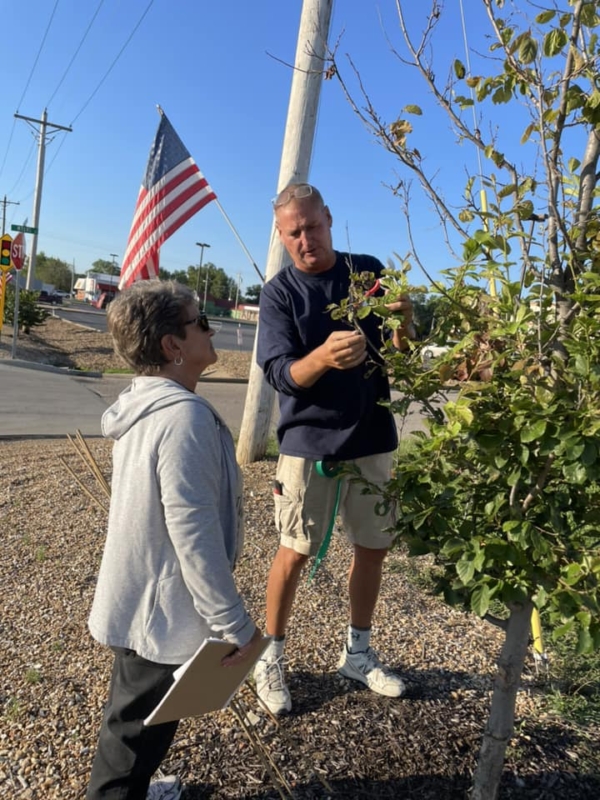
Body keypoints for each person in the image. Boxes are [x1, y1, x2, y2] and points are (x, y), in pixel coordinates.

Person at [86, 280, 262, 800]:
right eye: (200, 321)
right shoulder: (183, 419)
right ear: (173, 345)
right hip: (158, 609)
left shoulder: (147, 407)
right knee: (132, 738)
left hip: (142, 597)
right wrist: (236, 625)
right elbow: (195, 536)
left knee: (147, 721)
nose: (210, 328)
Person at [254, 183, 415, 715]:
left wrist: (404, 319)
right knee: (295, 550)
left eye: (313, 226)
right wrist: (322, 356)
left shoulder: (365, 273)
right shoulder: (280, 295)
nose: (306, 239)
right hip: (308, 444)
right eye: (293, 232)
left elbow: (403, 355)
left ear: (329, 217)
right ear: (281, 236)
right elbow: (281, 374)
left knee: (373, 548)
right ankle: (270, 657)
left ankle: (358, 653)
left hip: (372, 437)